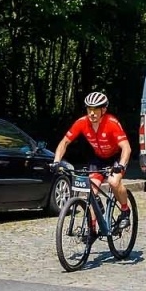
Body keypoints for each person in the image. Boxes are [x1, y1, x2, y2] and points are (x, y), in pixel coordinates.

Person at [51, 92, 133, 232]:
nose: (92, 113)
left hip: (115, 158)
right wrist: (56, 161)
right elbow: (64, 142)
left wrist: (121, 165)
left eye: (95, 109)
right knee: (90, 191)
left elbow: (126, 147)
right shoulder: (82, 123)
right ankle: (92, 228)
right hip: (98, 158)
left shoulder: (111, 123)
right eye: (89, 109)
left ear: (103, 110)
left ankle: (125, 211)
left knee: (114, 182)